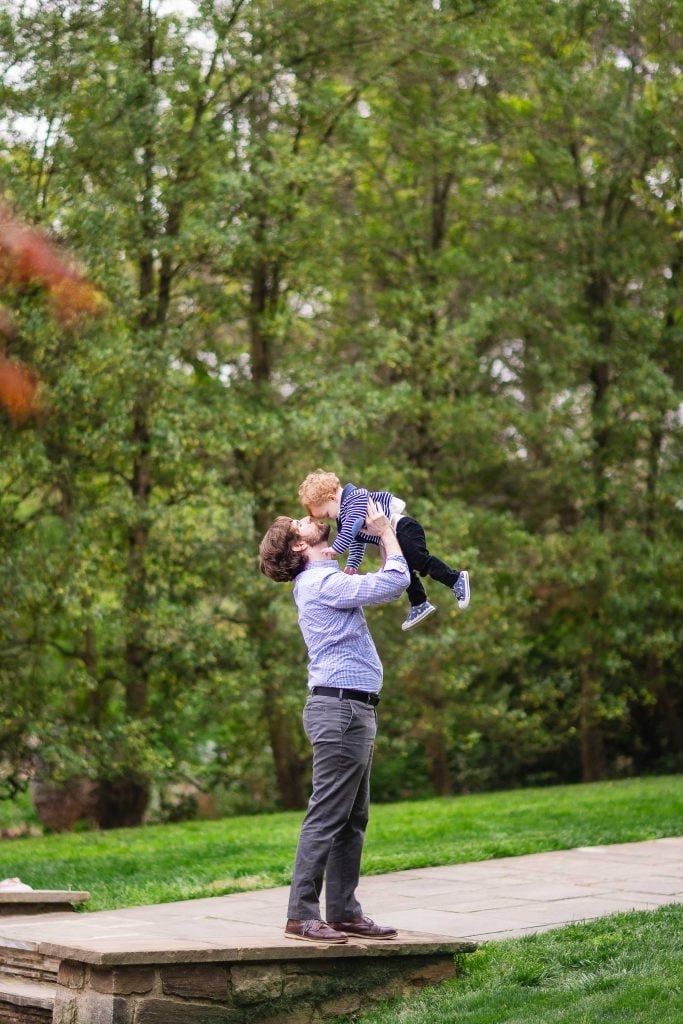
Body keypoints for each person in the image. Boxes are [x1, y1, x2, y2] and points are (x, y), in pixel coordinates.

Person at [259, 499, 410, 944]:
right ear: (298, 547)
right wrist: (385, 532)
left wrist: (380, 541)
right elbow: (394, 583)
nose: (312, 519)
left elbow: (385, 578)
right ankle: (301, 915)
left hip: (351, 708)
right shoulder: (321, 582)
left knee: (351, 817)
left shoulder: (326, 577)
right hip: (340, 710)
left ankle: (343, 912)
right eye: (301, 524)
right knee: (327, 815)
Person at [298, 470, 470, 631]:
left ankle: (455, 578)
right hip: (394, 537)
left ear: (332, 498)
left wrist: (337, 547)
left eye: (327, 514)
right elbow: (357, 543)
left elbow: (355, 523)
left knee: (419, 561)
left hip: (402, 528)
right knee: (404, 569)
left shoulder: (355, 498)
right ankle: (419, 602)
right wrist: (351, 567)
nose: (331, 518)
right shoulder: (344, 517)